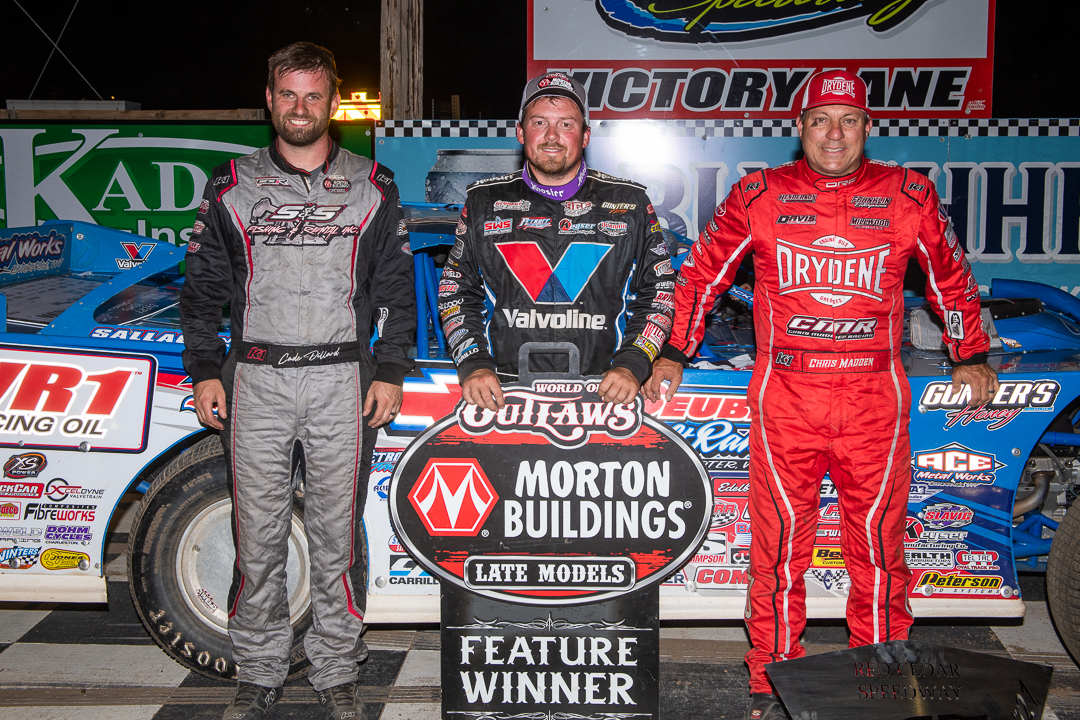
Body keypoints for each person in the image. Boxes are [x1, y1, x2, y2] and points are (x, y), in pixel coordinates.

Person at [643, 70, 999, 720]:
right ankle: (772, 678)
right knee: (778, 550)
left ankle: (882, 675)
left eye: (848, 120)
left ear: (868, 127)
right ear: (799, 128)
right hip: (788, 397)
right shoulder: (760, 193)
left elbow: (952, 275)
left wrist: (969, 352)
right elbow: (702, 273)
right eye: (820, 120)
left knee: (880, 548)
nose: (834, 134)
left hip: (873, 398)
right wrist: (672, 350)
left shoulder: (907, 193)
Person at [179, 42, 415, 720]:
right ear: (270, 99)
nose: (302, 108)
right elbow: (203, 290)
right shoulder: (233, 183)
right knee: (258, 536)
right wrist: (203, 369)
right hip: (256, 379)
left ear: (333, 102)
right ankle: (259, 670)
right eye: (290, 95)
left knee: (336, 539)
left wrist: (391, 369)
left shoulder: (373, 183)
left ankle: (338, 669)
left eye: (314, 95)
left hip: (343, 377)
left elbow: (396, 286)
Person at [440, 72, 674, 406]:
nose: (552, 136)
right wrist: (473, 363)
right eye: (539, 123)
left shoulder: (630, 202)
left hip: (606, 391)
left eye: (566, 124)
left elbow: (659, 292)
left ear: (586, 135)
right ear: (521, 132)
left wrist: (633, 363)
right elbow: (456, 290)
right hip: (503, 392)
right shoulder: (483, 202)